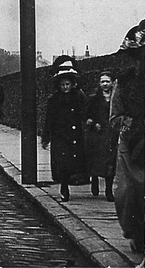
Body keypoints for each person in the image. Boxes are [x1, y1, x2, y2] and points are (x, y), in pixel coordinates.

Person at [110, 19, 145, 256]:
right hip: (134, 143)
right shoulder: (125, 82)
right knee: (128, 191)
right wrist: (129, 124)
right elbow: (115, 116)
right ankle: (136, 232)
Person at [41, 58, 88, 202]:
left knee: (76, 160)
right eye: (62, 85)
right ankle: (64, 187)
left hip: (75, 133)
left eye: (68, 84)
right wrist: (46, 136)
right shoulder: (54, 99)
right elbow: (49, 119)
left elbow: (85, 112)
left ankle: (77, 180)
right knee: (62, 163)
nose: (65, 87)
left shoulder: (79, 96)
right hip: (60, 135)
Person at [84, 70, 116, 200]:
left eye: (107, 81)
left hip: (111, 134)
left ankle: (108, 190)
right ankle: (95, 180)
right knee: (97, 160)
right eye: (102, 81)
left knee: (110, 162)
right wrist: (93, 123)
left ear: (112, 83)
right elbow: (87, 115)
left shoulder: (116, 98)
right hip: (98, 134)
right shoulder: (94, 98)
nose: (105, 84)